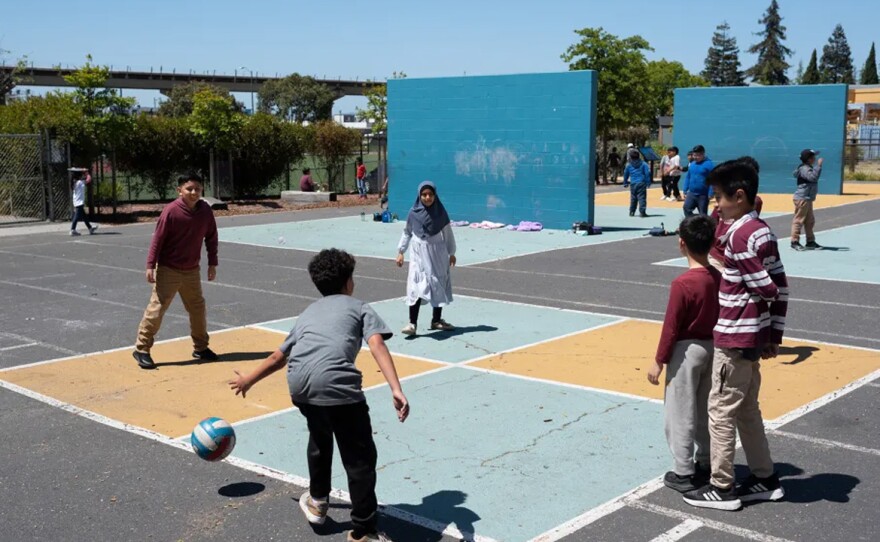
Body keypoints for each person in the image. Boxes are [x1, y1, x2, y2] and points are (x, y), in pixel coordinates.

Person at [229, 249, 409, 542]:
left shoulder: (308, 312)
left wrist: (248, 379)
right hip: (338, 388)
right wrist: (396, 388)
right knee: (359, 457)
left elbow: (278, 356)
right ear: (349, 282)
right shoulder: (360, 306)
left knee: (320, 436)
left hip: (300, 387)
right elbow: (377, 345)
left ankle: (318, 501)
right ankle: (363, 530)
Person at [684, 160, 788, 511]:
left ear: (739, 196)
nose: (716, 205)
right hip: (753, 336)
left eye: (719, 198)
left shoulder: (740, 238)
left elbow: (770, 287)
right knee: (746, 409)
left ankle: (722, 486)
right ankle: (764, 477)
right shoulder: (761, 230)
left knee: (720, 410)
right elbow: (783, 286)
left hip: (734, 337)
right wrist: (773, 333)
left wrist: (753, 284)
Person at [648, 214, 720, 493]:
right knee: (705, 409)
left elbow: (671, 326)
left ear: (681, 244)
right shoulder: (717, 276)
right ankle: (706, 460)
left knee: (680, 412)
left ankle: (683, 469)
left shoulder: (683, 283)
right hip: (713, 347)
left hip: (687, 351)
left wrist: (659, 361)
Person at [132, 173, 219, 369]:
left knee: (197, 309)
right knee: (157, 309)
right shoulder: (171, 212)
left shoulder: (205, 211)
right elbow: (157, 240)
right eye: (189, 189)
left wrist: (212, 263)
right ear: (179, 190)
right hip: (168, 269)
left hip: (191, 271)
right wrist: (150, 265)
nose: (194, 192)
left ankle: (201, 347)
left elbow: (212, 237)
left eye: (197, 188)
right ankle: (142, 349)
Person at [395, 181, 456, 335]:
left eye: (430, 194)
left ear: (435, 195)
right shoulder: (413, 212)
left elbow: (447, 233)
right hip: (418, 254)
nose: (427, 197)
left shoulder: (441, 213)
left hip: (437, 253)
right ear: (419, 195)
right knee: (415, 286)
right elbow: (407, 232)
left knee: (438, 283)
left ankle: (436, 320)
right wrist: (401, 251)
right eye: (424, 195)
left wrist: (452, 252)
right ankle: (412, 323)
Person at [709, 157, 763, 272]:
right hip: (716, 253)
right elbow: (712, 221)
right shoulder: (724, 201)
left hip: (732, 255)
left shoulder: (754, 203)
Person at [791, 149, 823, 251]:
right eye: (813, 157)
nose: (815, 158)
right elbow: (813, 178)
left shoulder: (808, 167)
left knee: (809, 221)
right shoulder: (804, 169)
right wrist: (818, 166)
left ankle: (810, 241)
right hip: (802, 199)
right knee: (799, 220)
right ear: (809, 159)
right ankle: (794, 241)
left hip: (807, 198)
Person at [682, 145, 715, 216]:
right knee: (686, 208)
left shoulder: (709, 165)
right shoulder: (692, 164)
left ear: (703, 154)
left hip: (703, 195)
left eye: (698, 155)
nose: (695, 157)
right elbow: (688, 177)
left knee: (703, 213)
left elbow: (713, 179)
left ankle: (703, 225)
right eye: (694, 155)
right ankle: (692, 223)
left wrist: (711, 193)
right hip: (692, 193)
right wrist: (685, 189)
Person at [623, 148, 651, 217]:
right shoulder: (643, 164)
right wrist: (648, 182)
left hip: (633, 183)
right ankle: (642, 212)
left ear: (630, 157)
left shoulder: (628, 165)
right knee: (642, 198)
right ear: (639, 156)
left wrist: (625, 182)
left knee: (633, 198)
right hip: (641, 183)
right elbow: (647, 173)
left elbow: (625, 174)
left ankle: (632, 211)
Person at [70, 169, 97, 236]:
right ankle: (73, 229)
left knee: (84, 216)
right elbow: (88, 180)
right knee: (76, 216)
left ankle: (90, 228)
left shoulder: (75, 182)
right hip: (79, 202)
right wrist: (87, 173)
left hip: (77, 201)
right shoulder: (79, 182)